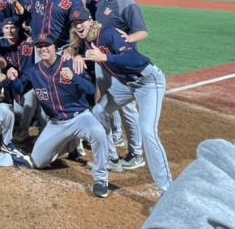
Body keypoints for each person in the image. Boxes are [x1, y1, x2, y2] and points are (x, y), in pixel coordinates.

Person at [72, 12, 173, 193]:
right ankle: (112, 158)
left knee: (148, 131)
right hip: (126, 85)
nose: (78, 26)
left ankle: (168, 190)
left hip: (148, 81)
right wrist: (79, 56)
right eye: (75, 23)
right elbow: (81, 51)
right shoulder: (88, 38)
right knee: (98, 112)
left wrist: (105, 58)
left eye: (81, 22)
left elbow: (136, 60)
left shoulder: (110, 33)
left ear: (90, 21)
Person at [6, 34, 110, 197]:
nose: (43, 49)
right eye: (39, 47)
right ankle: (70, 143)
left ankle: (101, 179)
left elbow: (91, 90)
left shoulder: (71, 63)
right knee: (39, 162)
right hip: (56, 123)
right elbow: (20, 89)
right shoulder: (34, 71)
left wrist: (75, 77)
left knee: (99, 133)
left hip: (80, 117)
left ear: (55, 47)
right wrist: (12, 78)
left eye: (46, 45)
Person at [96, 0, 148, 170]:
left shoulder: (128, 3)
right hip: (104, 62)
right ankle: (116, 142)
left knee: (127, 108)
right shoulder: (102, 2)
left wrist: (129, 38)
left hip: (121, 64)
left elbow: (142, 32)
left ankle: (136, 153)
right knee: (108, 104)